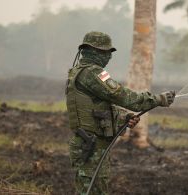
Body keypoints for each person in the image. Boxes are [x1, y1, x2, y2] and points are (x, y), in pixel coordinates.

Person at [65, 31, 175, 195]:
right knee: (94, 189)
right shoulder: (92, 73)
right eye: (107, 52)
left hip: (88, 142)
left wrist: (124, 117)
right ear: (96, 51)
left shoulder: (78, 71)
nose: (109, 57)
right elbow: (122, 96)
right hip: (92, 144)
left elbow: (96, 106)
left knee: (90, 186)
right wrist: (157, 99)